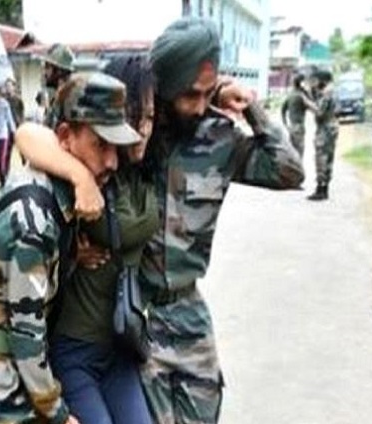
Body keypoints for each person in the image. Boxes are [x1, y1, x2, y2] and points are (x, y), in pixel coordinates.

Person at [0, 72, 139, 424]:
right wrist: (59, 414)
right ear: (66, 137)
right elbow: (27, 337)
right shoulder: (33, 222)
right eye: (101, 145)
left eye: (116, 148)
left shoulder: (59, 189)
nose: (113, 161)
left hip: (16, 369)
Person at [140, 17, 303, 423]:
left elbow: (289, 171)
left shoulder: (219, 137)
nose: (197, 106)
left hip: (187, 310)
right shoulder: (135, 133)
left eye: (206, 93)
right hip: (134, 316)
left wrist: (251, 107)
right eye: (188, 94)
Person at [16, 55, 156, 424]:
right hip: (74, 343)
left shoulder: (143, 166)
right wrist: (80, 177)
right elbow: (29, 135)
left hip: (120, 344)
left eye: (151, 118)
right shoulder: (86, 160)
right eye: (134, 116)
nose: (142, 129)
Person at [307, 69, 338, 201]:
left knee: (321, 157)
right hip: (331, 127)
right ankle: (324, 187)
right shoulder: (331, 92)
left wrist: (308, 103)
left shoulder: (326, 94)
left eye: (316, 80)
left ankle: (321, 188)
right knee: (329, 157)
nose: (314, 83)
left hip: (325, 128)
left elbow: (319, 112)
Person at [281, 73, 313, 159]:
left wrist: (285, 124)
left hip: (291, 126)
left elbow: (283, 110)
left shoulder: (290, 95)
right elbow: (312, 105)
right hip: (299, 127)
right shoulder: (300, 96)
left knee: (293, 151)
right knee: (299, 152)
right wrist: (307, 91)